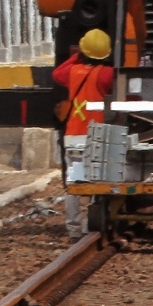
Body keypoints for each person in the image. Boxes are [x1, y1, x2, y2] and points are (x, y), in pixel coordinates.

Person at [54, 28, 116, 237]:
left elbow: (57, 73)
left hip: (73, 133)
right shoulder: (105, 74)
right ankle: (92, 223)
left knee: (73, 181)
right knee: (96, 179)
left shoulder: (72, 72)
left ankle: (73, 228)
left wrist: (76, 55)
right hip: (96, 133)